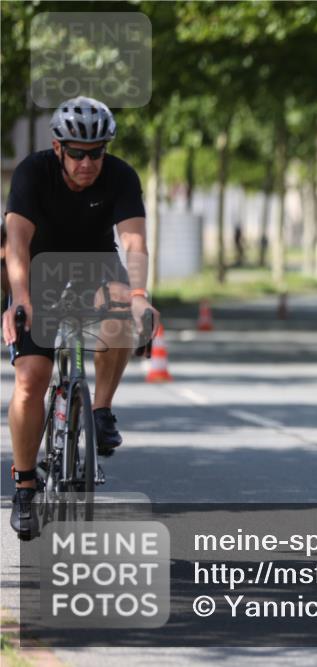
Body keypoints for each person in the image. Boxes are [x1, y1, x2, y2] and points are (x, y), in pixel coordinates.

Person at [2, 97, 159, 538]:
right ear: (59, 149)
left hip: (95, 265)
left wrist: (141, 295)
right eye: (77, 153)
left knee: (122, 311)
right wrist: (20, 297)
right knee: (32, 377)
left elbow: (133, 242)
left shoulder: (121, 175)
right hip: (39, 270)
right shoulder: (33, 173)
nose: (87, 162)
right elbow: (16, 242)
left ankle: (101, 409)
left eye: (97, 153)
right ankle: (26, 485)